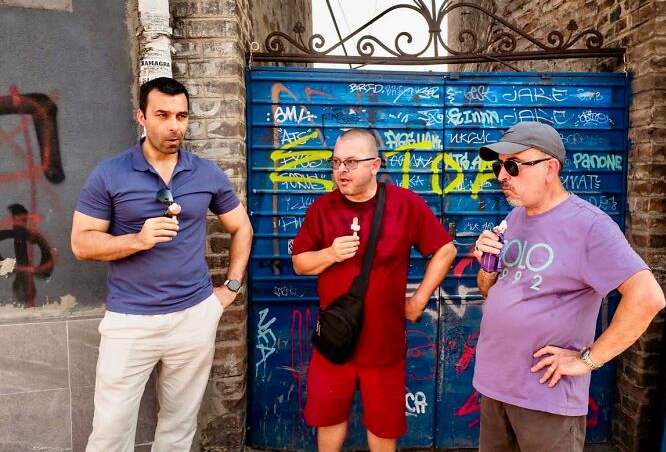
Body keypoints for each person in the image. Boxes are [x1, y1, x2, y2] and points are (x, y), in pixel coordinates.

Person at [71, 77, 253, 452]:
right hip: (130, 321)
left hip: (193, 317)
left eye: (182, 116)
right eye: (163, 115)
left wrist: (230, 288)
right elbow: (81, 243)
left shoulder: (205, 172)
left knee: (179, 427)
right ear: (142, 116)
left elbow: (242, 227)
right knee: (109, 431)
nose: (174, 126)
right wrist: (137, 239)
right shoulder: (110, 173)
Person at [472, 121, 666, 452]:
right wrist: (487, 268)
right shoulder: (516, 218)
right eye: (498, 166)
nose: (501, 176)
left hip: (545, 398)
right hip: (495, 387)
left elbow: (648, 297)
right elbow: (493, 291)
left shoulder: (590, 227)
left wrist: (588, 359)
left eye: (513, 165)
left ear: (550, 168)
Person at [291, 128, 456, 452]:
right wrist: (330, 254)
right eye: (336, 162)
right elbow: (299, 263)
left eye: (351, 162)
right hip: (334, 342)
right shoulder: (323, 208)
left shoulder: (404, 204)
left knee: (383, 427)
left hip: (384, 345)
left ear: (375, 165)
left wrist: (419, 299)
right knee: (329, 421)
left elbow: (445, 249)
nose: (341, 170)